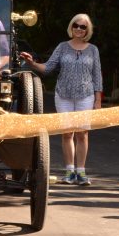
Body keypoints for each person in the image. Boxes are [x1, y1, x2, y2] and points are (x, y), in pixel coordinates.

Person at [20, 14, 102, 186]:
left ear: (88, 30)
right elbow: (48, 68)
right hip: (63, 95)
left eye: (83, 27)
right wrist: (32, 63)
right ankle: (69, 171)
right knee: (67, 133)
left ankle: (81, 172)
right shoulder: (63, 47)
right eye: (76, 25)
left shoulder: (93, 49)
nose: (79, 29)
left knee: (82, 134)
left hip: (85, 95)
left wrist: (97, 100)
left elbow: (97, 76)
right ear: (71, 27)